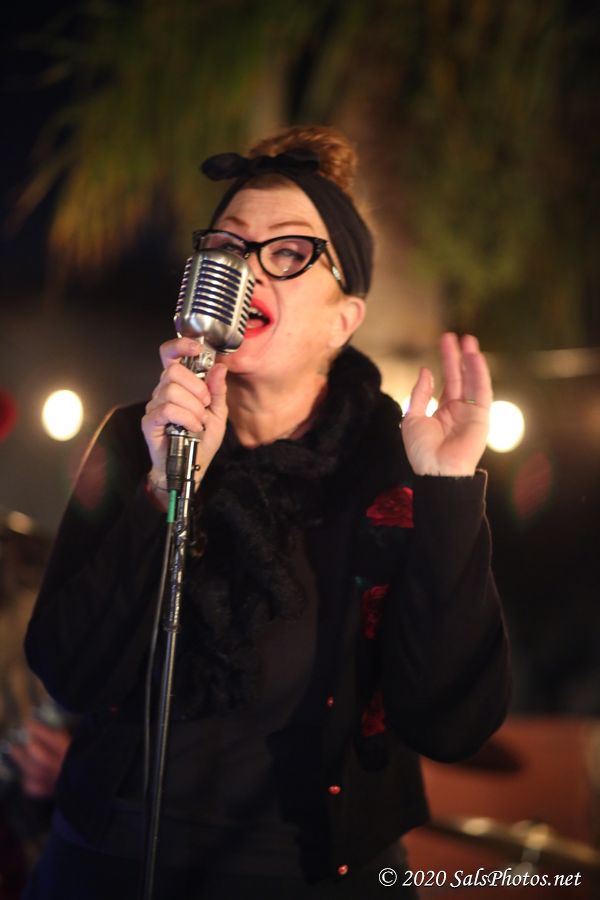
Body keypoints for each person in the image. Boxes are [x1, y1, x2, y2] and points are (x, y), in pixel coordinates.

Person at [23, 125, 510, 899]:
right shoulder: (137, 437)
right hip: (110, 861)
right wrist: (165, 487)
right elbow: (69, 669)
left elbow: (451, 722)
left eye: (287, 252)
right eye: (226, 246)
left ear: (344, 318)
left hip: (317, 873)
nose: (243, 268)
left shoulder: (393, 466)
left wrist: (449, 492)